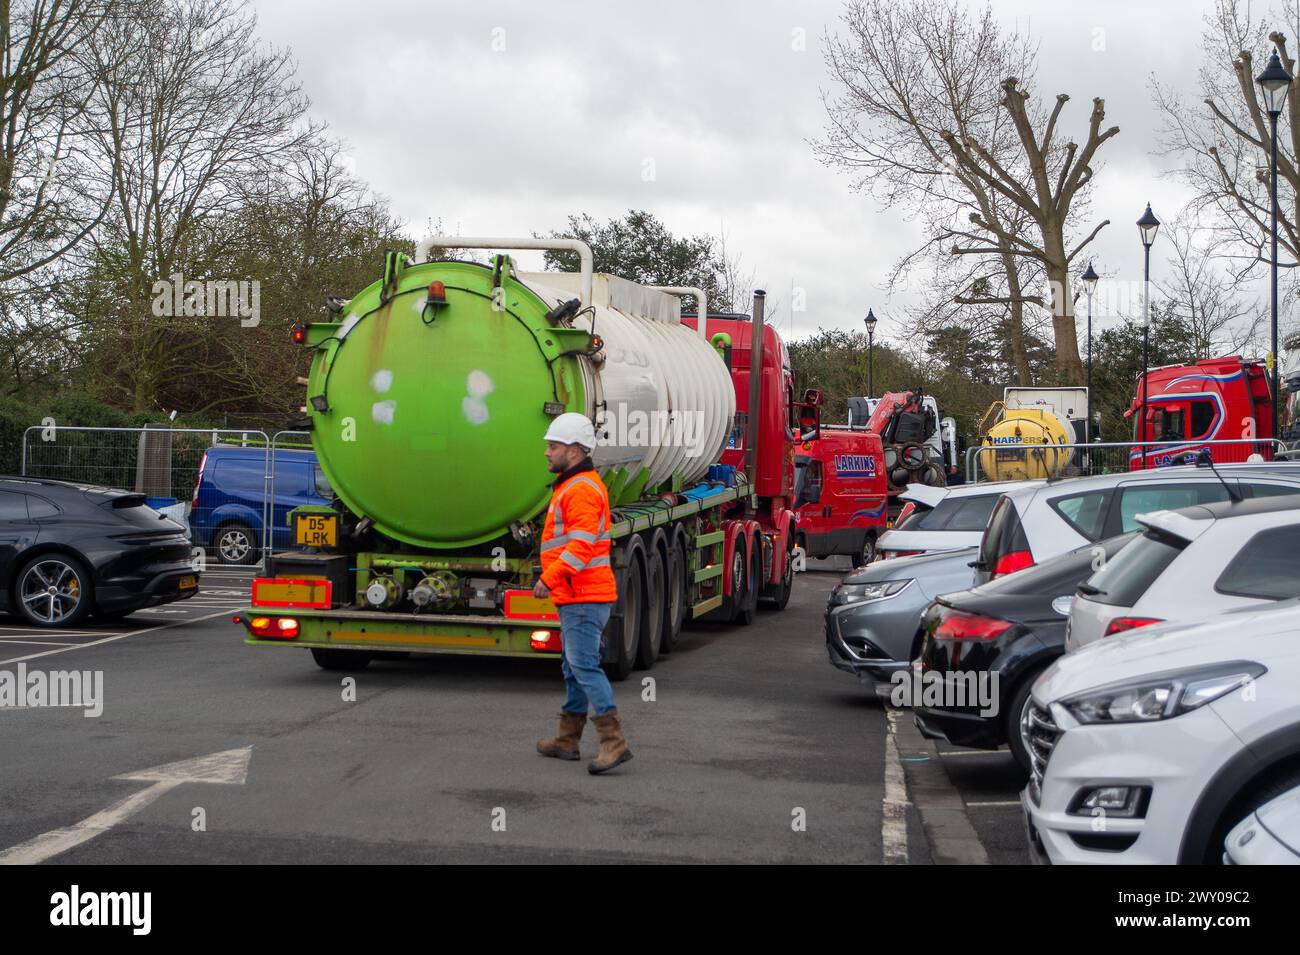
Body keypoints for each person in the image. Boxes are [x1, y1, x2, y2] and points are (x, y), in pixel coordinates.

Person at [533, 412, 633, 775]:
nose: (547, 452)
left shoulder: (581, 490)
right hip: (578, 594)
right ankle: (567, 739)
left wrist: (550, 577)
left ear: (574, 452)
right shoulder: (572, 486)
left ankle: (613, 742)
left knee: (584, 666)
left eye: (553, 446)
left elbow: (580, 547)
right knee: (573, 666)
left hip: (584, 595)